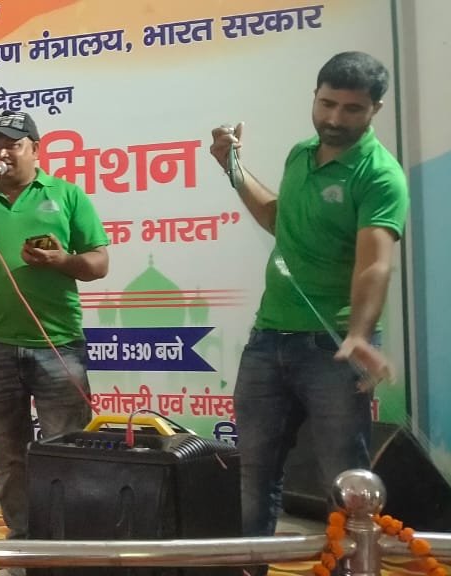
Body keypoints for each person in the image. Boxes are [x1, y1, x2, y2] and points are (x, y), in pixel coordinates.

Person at [209, 51, 408, 556]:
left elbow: (375, 264)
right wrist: (232, 167)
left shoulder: (380, 175)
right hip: (267, 340)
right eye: (327, 104)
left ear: (375, 109)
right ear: (315, 97)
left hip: (333, 350)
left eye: (352, 108)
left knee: (345, 485)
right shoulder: (300, 154)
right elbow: (279, 220)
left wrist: (358, 333)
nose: (335, 118)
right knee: (253, 475)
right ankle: (249, 567)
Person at [0, 111, 109, 558]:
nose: (2, 153)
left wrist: (62, 261)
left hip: (57, 346)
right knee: (9, 457)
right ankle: (24, 548)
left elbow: (99, 263)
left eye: (12, 144)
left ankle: (67, 552)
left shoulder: (66, 194)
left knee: (65, 454)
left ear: (36, 149)